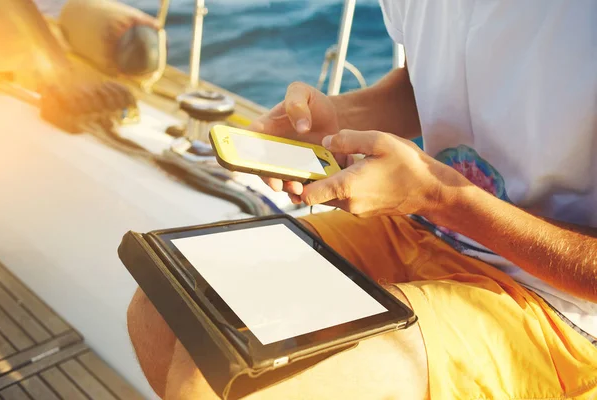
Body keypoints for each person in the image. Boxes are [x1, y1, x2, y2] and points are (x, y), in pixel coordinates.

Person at [127, 1, 597, 398]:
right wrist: (339, 116)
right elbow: (431, 80)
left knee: (241, 383)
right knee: (161, 311)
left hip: (560, 306)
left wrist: (436, 197)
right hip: (428, 222)